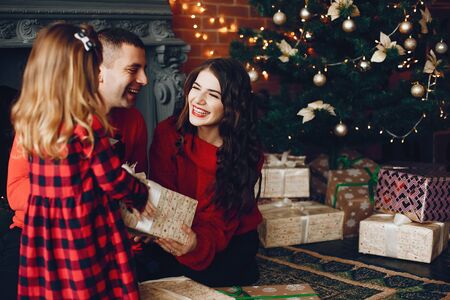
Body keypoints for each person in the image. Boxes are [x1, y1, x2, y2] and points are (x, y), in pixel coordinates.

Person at [2, 27, 149, 299]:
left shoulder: (35, 119)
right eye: (133, 69)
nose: (144, 79)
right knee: (90, 285)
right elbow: (113, 180)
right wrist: (140, 195)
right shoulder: (88, 126)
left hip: (42, 231)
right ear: (95, 74)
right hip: (81, 225)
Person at [138, 57, 263, 287]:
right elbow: (164, 194)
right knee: (139, 266)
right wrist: (153, 226)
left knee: (208, 275)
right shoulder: (168, 132)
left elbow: (222, 220)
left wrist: (196, 245)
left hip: (228, 236)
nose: (199, 100)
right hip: (179, 226)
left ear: (232, 106)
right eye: (196, 88)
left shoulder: (246, 151)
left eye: (213, 95)